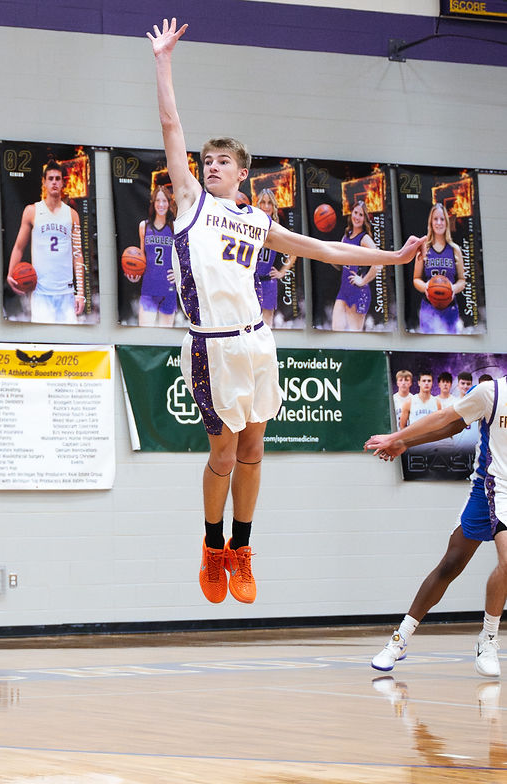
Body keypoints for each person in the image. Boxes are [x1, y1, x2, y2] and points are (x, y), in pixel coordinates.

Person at [148, 17, 423, 605]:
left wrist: (394, 256)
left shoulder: (257, 221)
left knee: (253, 450)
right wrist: (163, 60)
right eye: (208, 160)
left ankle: (243, 550)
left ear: (243, 172)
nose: (212, 166)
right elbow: (171, 125)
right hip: (211, 343)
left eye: (223, 161)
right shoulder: (191, 204)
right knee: (222, 451)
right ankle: (212, 545)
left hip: (256, 341)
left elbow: (325, 250)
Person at [365, 375, 507, 678]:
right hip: (491, 489)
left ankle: (489, 639)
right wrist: (399, 439)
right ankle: (400, 639)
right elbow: (450, 420)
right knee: (451, 564)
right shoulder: (491, 391)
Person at [7, 160, 86, 324]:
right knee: (44, 343)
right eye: (50, 179)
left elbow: (78, 255)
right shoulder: (32, 211)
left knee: (68, 344)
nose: (54, 182)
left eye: (58, 178)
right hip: (41, 291)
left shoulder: (72, 215)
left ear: (63, 182)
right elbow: (19, 247)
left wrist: (81, 292)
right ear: (44, 182)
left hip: (66, 292)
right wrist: (10, 273)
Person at [413, 203, 466, 334]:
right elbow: (416, 279)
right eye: (435, 219)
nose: (439, 222)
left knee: (450, 350)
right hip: (428, 308)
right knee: (430, 351)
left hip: (450, 307)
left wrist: (453, 288)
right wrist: (425, 286)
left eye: (442, 219)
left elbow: (462, 281)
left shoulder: (455, 249)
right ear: (430, 222)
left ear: (447, 222)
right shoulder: (424, 248)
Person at [133, 184, 180, 327]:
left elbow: (183, 256)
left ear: (169, 203)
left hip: (168, 288)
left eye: (164, 201)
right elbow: (140, 258)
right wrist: (135, 273)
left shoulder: (175, 227)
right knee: (146, 335)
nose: (161, 204)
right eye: (158, 201)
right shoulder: (144, 226)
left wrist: (178, 273)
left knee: (165, 338)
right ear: (153, 203)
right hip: (149, 288)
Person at [330, 200, 380, 332]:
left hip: (359, 293)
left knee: (353, 335)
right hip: (343, 290)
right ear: (351, 213)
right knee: (336, 330)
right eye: (355, 213)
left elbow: (379, 262)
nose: (357, 217)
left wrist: (363, 280)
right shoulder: (346, 236)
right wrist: (329, 258)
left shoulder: (365, 239)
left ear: (365, 219)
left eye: (361, 215)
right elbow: (341, 264)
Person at [252, 188, 297, 327]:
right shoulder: (250, 225)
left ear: (274, 206)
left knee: (266, 325)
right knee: (249, 322)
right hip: (249, 282)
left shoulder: (276, 229)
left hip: (268, 282)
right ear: (258, 205)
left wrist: (282, 272)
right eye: (263, 202)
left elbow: (294, 251)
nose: (266, 206)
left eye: (269, 203)